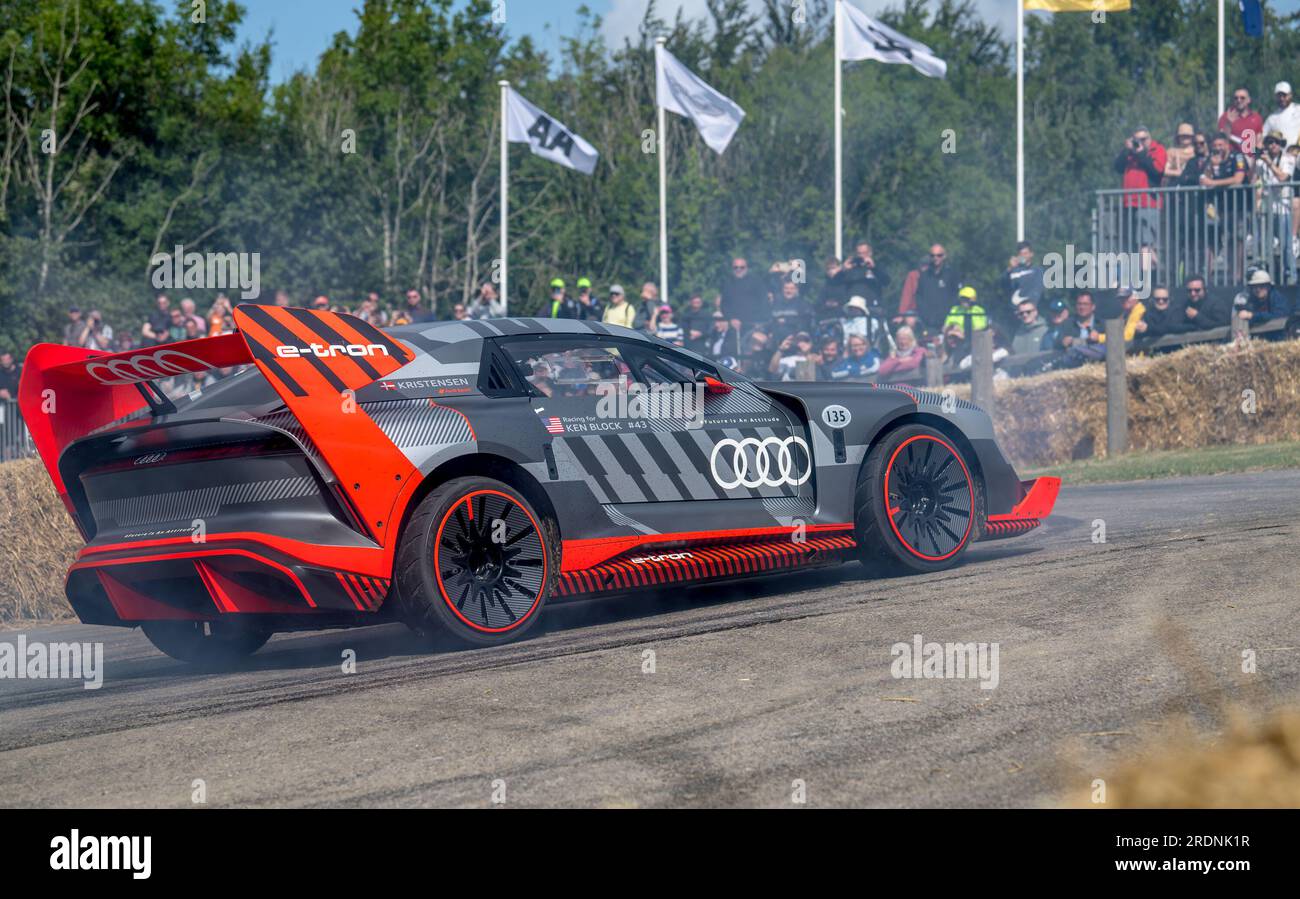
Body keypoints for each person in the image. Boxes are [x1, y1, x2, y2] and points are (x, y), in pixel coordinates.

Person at [1114, 126, 1167, 250]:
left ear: (1150, 138)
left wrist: (1141, 153)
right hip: (1130, 203)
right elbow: (1118, 168)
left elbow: (1156, 172)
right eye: (1137, 140)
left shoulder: (1157, 149)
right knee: (1133, 245)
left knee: (1146, 242)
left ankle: (1149, 270)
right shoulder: (1130, 153)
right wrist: (1126, 150)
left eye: (1144, 139)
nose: (1140, 143)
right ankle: (1151, 268)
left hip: (1148, 202)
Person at [1255, 130, 1296, 284]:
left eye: (1275, 142)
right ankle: (1266, 277)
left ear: (1280, 145)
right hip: (1267, 208)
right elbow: (1254, 179)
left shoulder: (1288, 159)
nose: (1272, 145)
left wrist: (1269, 163)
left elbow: (1283, 177)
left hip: (1283, 207)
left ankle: (1290, 277)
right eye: (1269, 142)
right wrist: (1255, 154)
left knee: (1286, 246)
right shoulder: (1261, 161)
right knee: (1265, 246)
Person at [909, 244, 960, 336]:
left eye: (939, 255)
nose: (935, 258)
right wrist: (924, 314)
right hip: (928, 323)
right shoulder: (924, 276)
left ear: (944, 256)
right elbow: (919, 296)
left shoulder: (951, 275)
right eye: (932, 255)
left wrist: (949, 315)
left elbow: (955, 296)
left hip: (947, 323)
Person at [836, 241, 891, 314]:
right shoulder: (851, 268)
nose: (861, 256)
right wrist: (843, 270)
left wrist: (873, 268)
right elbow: (835, 283)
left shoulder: (877, 266)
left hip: (872, 308)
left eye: (864, 253)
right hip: (853, 308)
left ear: (870, 253)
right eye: (859, 253)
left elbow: (886, 281)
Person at [720, 257, 769, 331]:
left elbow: (764, 302)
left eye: (742, 267)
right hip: (734, 325)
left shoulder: (756, 281)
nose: (738, 269)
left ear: (746, 268)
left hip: (753, 324)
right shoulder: (727, 283)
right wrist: (731, 319)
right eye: (735, 267)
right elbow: (724, 305)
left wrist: (760, 321)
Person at [1219, 87, 1265, 153]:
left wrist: (1254, 156)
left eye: (1242, 98)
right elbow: (1222, 139)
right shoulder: (1226, 116)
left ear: (1249, 100)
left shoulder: (1256, 118)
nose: (1239, 100)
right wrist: (1229, 123)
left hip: (1250, 158)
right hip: (1232, 158)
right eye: (1236, 98)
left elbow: (1259, 140)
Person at [1262, 81, 1300, 149]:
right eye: (1279, 96)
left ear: (1290, 95)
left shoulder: (1298, 109)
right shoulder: (1271, 118)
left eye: (1284, 95)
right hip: (1280, 158)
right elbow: (1263, 137)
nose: (1282, 98)